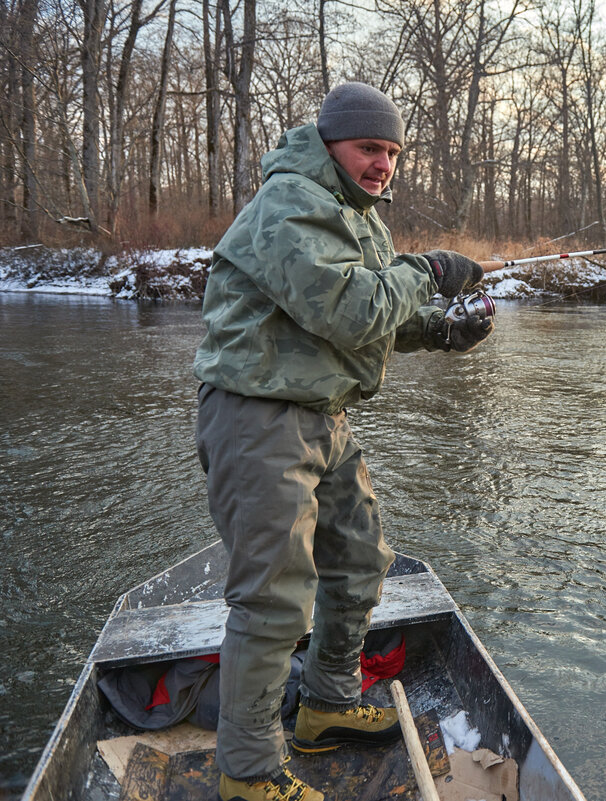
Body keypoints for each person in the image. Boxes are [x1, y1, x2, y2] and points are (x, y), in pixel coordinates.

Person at [193, 82, 494, 801]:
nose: (383, 163)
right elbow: (351, 307)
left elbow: (366, 317)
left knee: (360, 558)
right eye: (370, 147)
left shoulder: (357, 217)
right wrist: (428, 272)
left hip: (321, 414)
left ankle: (326, 703)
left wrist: (439, 330)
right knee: (272, 601)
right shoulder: (291, 204)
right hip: (259, 416)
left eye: (392, 151)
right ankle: (248, 773)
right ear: (330, 143)